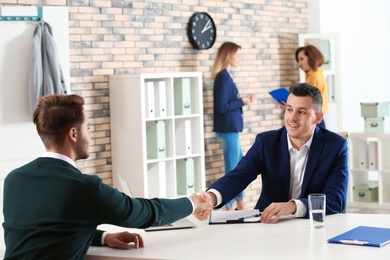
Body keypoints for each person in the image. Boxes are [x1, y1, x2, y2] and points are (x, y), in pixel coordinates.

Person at [2, 94, 213, 259]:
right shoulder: (85, 188)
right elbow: (144, 213)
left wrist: (103, 237)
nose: (91, 135)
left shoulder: (14, 180)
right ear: (74, 134)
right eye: (89, 128)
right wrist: (193, 203)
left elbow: (43, 232)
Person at [207, 83, 348, 223]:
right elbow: (238, 176)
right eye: (289, 109)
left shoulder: (335, 147)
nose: (292, 118)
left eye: (302, 112)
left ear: (318, 118)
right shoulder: (266, 142)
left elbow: (335, 200)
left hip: (310, 227)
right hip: (268, 224)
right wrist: (210, 198)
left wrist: (293, 206)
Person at [211, 42, 254, 211]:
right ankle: (229, 207)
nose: (239, 59)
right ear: (228, 55)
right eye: (237, 55)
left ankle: (240, 203)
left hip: (231, 129)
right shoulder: (223, 77)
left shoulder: (226, 76)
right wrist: (241, 101)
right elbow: (222, 107)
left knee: (240, 168)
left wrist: (241, 101)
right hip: (228, 130)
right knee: (233, 171)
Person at [295, 44, 328, 128]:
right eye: (298, 60)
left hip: (313, 119)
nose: (299, 64)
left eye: (301, 59)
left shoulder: (315, 77)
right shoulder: (312, 76)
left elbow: (311, 102)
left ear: (311, 58)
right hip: (313, 118)